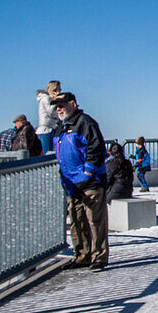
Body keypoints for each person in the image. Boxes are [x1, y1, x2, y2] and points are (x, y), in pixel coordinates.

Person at [53, 92, 108, 270]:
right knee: (77, 221)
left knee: (95, 220)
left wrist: (88, 173)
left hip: (90, 182)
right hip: (70, 183)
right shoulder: (60, 127)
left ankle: (98, 257)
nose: (59, 109)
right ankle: (82, 255)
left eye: (62, 104)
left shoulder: (85, 122)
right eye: (56, 106)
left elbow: (97, 148)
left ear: (73, 104)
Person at [37, 80, 62, 153]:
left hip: (51, 128)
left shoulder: (47, 99)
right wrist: (55, 101)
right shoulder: (46, 99)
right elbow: (50, 112)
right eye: (59, 89)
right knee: (48, 153)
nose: (60, 90)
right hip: (46, 130)